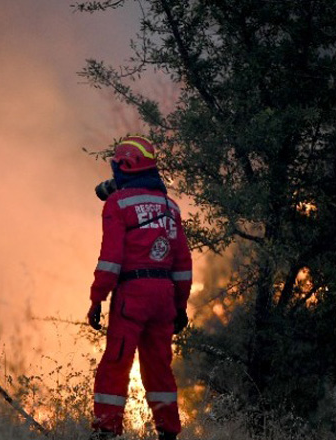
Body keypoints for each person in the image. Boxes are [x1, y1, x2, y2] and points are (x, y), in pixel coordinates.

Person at [87, 135, 193, 440]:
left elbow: (111, 260)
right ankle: (169, 432)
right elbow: (183, 264)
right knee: (159, 368)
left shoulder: (117, 203)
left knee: (116, 364)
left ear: (125, 166)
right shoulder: (170, 207)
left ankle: (107, 430)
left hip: (132, 296)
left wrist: (97, 299)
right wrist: (180, 306)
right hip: (164, 297)